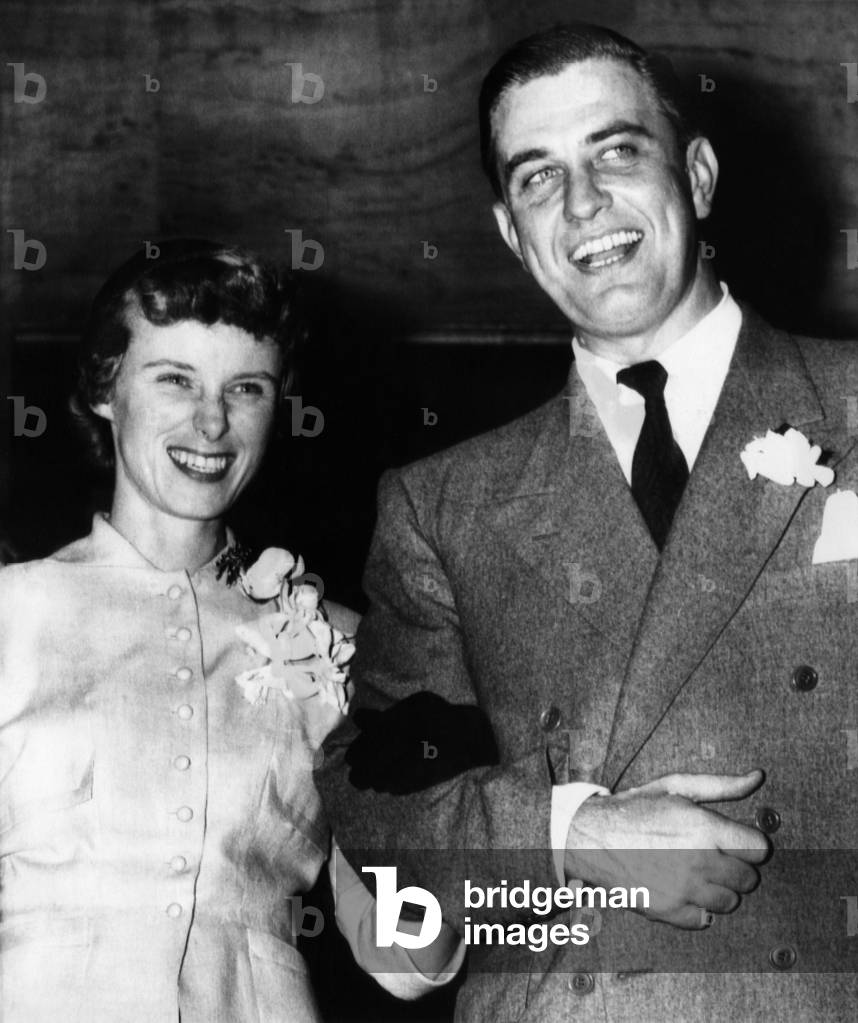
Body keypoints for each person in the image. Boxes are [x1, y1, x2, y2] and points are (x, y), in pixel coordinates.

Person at [318, 23, 858, 1023]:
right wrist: (566, 837)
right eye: (538, 177)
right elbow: (384, 818)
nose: (582, 204)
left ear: (698, 176)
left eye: (616, 151)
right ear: (511, 231)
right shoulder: (443, 505)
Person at [0, 239, 461, 1022]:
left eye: (246, 388)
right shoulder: (14, 610)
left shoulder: (343, 643)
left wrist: (448, 791)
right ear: (106, 388)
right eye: (175, 379)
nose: (211, 422)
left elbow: (403, 959)